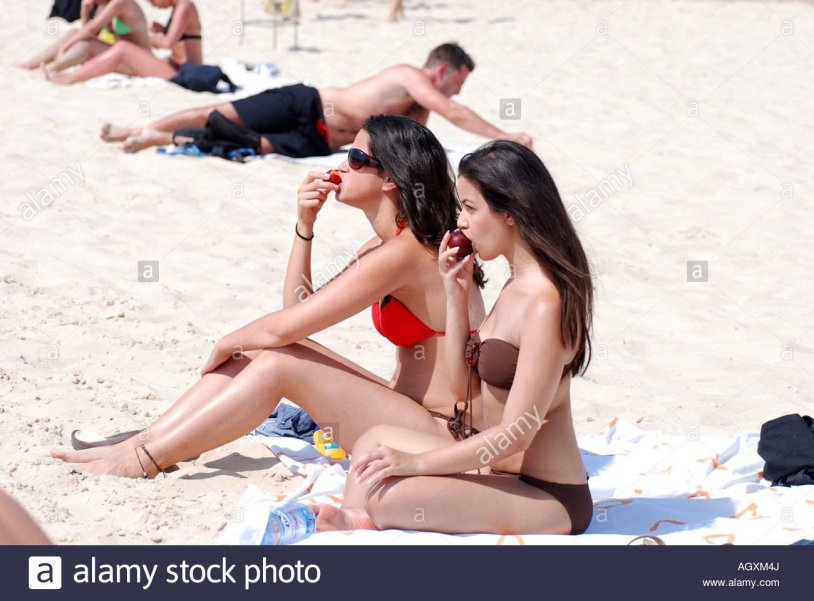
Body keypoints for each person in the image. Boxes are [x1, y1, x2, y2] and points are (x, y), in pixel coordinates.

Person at [52, 115, 488, 481]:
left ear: (391, 178)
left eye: (356, 158)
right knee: (264, 353)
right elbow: (296, 314)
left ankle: (141, 460)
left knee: (274, 356)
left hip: (442, 435)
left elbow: (285, 328)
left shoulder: (405, 253)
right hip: (406, 410)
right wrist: (305, 226)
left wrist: (228, 341)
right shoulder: (384, 248)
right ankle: (143, 443)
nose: (343, 165)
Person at [316, 140, 595, 536]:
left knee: (390, 493)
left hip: (548, 495)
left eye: (470, 208)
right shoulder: (516, 285)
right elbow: (459, 387)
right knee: (374, 442)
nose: (459, 221)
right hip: (499, 472)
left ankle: (365, 516)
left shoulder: (545, 304)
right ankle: (356, 521)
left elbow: (517, 434)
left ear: (510, 214)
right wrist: (455, 294)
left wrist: (414, 463)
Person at [99, 42, 533, 154]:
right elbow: (452, 109)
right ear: (441, 69)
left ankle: (156, 138)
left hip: (322, 141)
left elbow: (407, 143)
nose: (458, 89)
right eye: (458, 80)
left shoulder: (420, 106)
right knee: (215, 111)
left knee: (246, 141)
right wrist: (504, 135)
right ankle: (140, 127)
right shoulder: (412, 77)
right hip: (305, 104)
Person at [44, 0, 202, 85]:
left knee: (123, 48)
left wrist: (151, 36)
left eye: (153, 1)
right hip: (175, 67)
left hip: (186, 73)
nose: (154, 5)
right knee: (117, 47)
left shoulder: (185, 5)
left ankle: (69, 78)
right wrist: (161, 30)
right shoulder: (180, 7)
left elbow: (167, 43)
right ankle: (49, 68)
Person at [18, 0, 150, 74]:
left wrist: (65, 47)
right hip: (123, 57)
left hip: (139, 65)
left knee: (85, 44)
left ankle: (52, 69)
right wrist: (85, 12)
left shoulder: (120, 3)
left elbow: (91, 31)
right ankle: (32, 64)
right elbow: (88, 32)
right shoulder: (104, 6)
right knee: (73, 33)